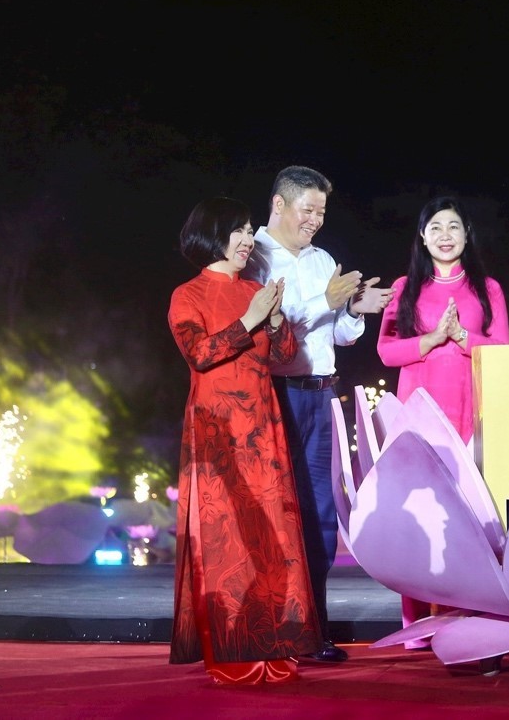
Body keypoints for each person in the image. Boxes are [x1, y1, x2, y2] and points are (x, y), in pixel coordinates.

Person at [168, 197, 322, 684]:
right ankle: (232, 648)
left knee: (273, 533)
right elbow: (200, 353)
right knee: (228, 536)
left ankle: (275, 641)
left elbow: (284, 353)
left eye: (250, 230)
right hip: (218, 431)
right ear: (212, 234)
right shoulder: (188, 295)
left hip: (263, 426)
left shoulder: (255, 289)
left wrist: (274, 321)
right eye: (238, 230)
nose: (248, 239)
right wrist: (251, 319)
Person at [246, 166, 392, 663]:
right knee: (278, 510)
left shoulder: (323, 258)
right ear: (279, 204)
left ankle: (313, 629)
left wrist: (353, 310)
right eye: (308, 210)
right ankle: (273, 627)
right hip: (278, 394)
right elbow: (267, 329)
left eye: (322, 213)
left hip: (324, 394)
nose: (315, 220)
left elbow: (340, 338)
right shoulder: (253, 257)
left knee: (321, 515)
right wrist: (324, 300)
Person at [377, 196, 509, 632]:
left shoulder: (488, 288)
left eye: (453, 226)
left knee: (469, 517)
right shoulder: (404, 288)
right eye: (435, 227)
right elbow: (386, 351)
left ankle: (467, 616)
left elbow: (503, 351)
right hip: (420, 413)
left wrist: (462, 336)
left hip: (470, 411)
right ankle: (415, 623)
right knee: (419, 514)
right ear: (422, 236)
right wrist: (432, 339)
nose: (445, 235)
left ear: (467, 234)